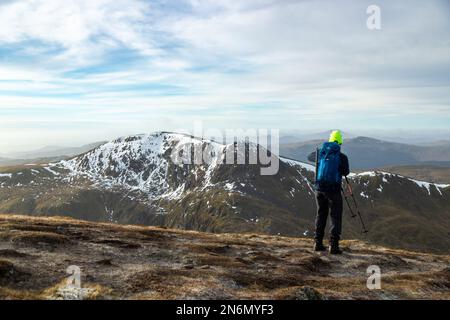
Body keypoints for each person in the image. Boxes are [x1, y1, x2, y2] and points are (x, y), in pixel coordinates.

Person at [307, 130, 349, 254]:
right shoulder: (342, 157)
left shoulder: (321, 153)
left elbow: (309, 157)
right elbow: (346, 172)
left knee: (321, 214)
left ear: (330, 140)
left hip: (319, 189)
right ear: (340, 142)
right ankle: (333, 245)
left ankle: (317, 243)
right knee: (335, 216)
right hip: (333, 190)